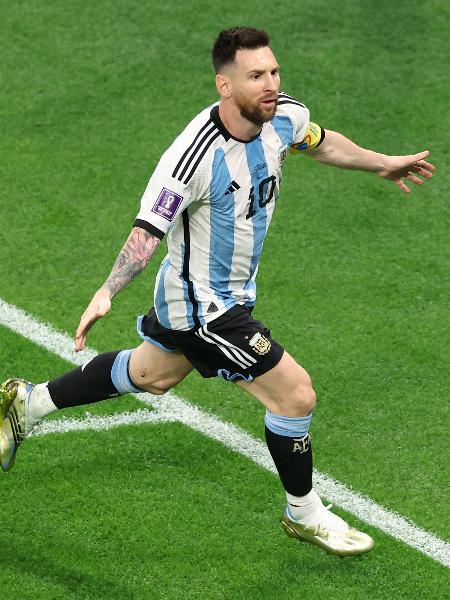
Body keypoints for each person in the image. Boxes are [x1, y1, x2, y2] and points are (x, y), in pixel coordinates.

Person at [0, 27, 434, 556]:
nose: (271, 83)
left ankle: (29, 401)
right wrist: (107, 290)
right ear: (224, 85)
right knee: (295, 393)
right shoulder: (192, 157)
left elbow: (318, 140)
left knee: (152, 375)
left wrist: (381, 161)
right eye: (256, 76)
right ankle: (305, 512)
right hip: (202, 305)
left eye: (273, 71)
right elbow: (147, 231)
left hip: (231, 291)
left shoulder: (283, 116)